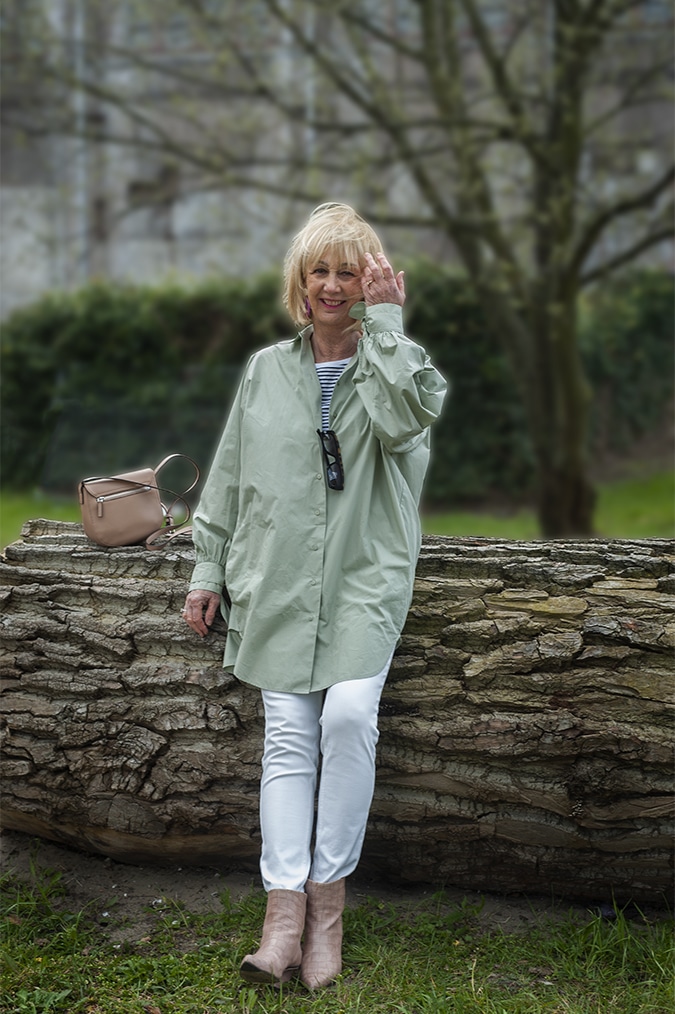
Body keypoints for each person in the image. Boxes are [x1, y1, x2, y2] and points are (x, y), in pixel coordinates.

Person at [181, 202, 447, 990]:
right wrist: (207, 570)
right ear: (300, 281)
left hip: (365, 576)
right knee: (288, 740)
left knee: (346, 715)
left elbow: (404, 426)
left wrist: (389, 326)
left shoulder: (398, 362)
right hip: (278, 581)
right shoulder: (267, 369)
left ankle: (328, 909)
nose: (331, 286)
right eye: (319, 270)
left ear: (372, 283)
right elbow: (228, 478)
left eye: (349, 272)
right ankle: (283, 922)